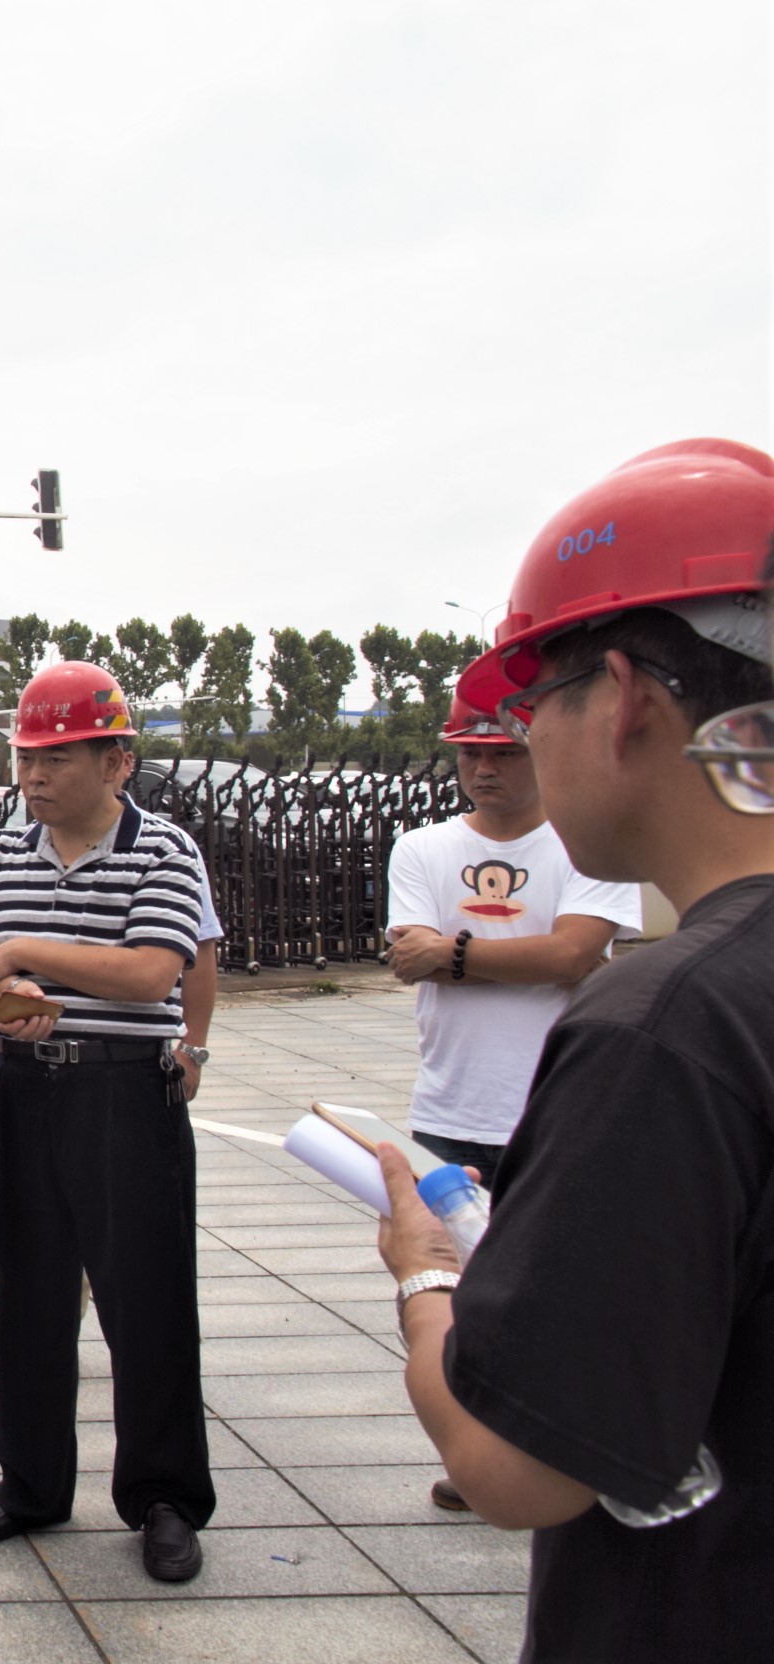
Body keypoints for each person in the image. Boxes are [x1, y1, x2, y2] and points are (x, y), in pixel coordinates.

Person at [376, 438, 774, 1661]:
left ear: (626, 699)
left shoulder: (669, 1026)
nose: (520, 741)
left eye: (532, 703)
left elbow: (516, 1471)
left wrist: (426, 1281)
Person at [0, 660, 212, 1584]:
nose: (34, 776)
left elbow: (150, 973)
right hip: (27, 1091)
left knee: (147, 1300)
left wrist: (22, 951)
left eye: (56, 758)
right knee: (29, 1293)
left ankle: (165, 1496)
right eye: (26, 758)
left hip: (124, 1096)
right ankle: (31, 1482)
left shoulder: (164, 851)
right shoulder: (5, 852)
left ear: (117, 762)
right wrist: (1, 991)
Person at [383, 698, 645, 1513]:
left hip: (559, 1104)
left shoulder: (583, 845)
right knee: (460, 1293)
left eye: (503, 752)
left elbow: (574, 952)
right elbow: (408, 957)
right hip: (451, 1106)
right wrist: (524, 958)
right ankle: (479, 1452)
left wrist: (457, 952)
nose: (484, 768)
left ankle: (561, 1453)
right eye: (471, 754)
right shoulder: (422, 847)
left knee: (562, 1291)